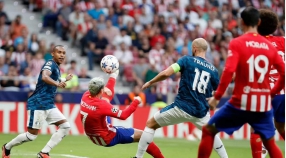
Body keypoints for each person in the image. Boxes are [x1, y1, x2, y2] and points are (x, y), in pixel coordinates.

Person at [197, 7, 285, 158]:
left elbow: (229, 70)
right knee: (272, 137)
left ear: (242, 22)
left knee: (209, 129)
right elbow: (283, 71)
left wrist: (217, 97)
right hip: (272, 98)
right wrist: (272, 92)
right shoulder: (275, 44)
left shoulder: (240, 42)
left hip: (245, 99)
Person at [134, 38, 228, 158]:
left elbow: (167, 73)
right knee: (212, 134)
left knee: (150, 124)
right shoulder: (213, 70)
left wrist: (151, 82)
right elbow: (218, 90)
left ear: (194, 49)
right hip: (201, 112)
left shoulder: (186, 60)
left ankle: (138, 157)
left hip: (182, 107)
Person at [2, 45, 74, 158]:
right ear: (53, 54)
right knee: (31, 136)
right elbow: (45, 77)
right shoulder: (49, 64)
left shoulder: (56, 67)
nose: (62, 55)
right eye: (59, 52)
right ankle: (7, 147)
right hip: (38, 103)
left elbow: (54, 79)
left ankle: (44, 153)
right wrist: (57, 84)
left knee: (65, 126)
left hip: (49, 104)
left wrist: (64, 79)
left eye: (63, 53)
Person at [80, 70, 164, 158]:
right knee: (143, 135)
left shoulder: (85, 96)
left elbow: (103, 97)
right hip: (107, 137)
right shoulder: (102, 105)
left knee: (105, 100)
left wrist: (112, 77)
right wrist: (136, 101)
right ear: (101, 91)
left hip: (92, 135)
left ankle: (114, 75)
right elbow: (124, 115)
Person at [249, 9, 285, 158]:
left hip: (265, 94)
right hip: (283, 94)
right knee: (280, 126)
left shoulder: (253, 44)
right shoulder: (283, 41)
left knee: (256, 129)